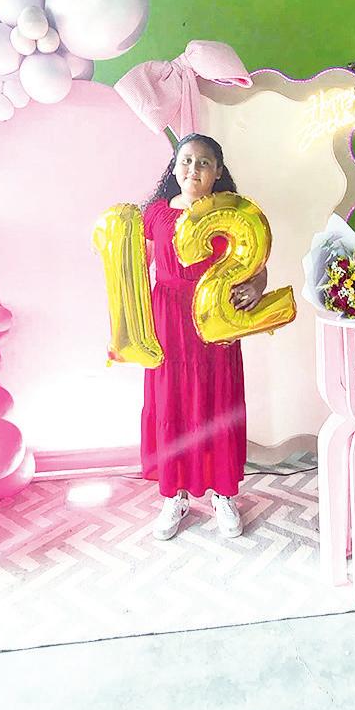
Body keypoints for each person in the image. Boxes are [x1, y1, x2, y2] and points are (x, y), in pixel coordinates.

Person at [142, 133, 267, 541]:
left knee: (218, 403)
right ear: (174, 167)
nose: (193, 169)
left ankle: (223, 493)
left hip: (216, 320)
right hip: (168, 321)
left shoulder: (232, 214)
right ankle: (174, 495)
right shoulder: (155, 215)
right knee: (172, 404)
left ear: (217, 171)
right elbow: (136, 267)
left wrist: (256, 287)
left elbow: (257, 265)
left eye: (203, 162)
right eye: (186, 160)